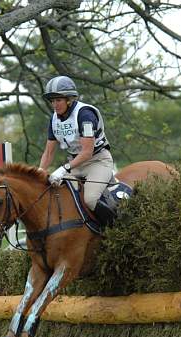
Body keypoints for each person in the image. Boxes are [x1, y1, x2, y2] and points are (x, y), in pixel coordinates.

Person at [38, 75, 116, 227]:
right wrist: (41, 170)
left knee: (90, 199)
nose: (55, 105)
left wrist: (63, 169)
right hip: (75, 164)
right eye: (52, 101)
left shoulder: (85, 114)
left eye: (58, 100)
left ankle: (117, 230)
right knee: (58, 195)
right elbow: (48, 153)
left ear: (69, 99)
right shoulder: (54, 119)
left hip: (97, 161)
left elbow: (87, 152)